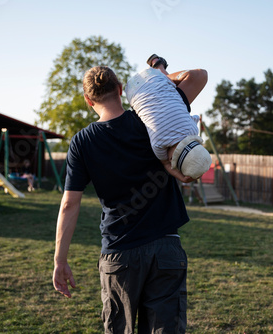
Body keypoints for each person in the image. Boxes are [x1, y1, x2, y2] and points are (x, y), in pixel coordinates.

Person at [52, 65, 192, 333]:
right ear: (119, 90)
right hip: (166, 248)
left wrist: (60, 261)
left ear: (88, 100)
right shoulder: (150, 119)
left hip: (120, 253)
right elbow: (196, 77)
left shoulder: (82, 142)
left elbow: (70, 204)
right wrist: (161, 74)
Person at [124, 54, 212, 179]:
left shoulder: (193, 130)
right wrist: (182, 178)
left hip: (155, 78)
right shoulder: (159, 145)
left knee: (201, 75)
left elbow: (194, 117)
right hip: (131, 90)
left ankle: (159, 67)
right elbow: (165, 164)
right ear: (172, 158)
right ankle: (159, 69)